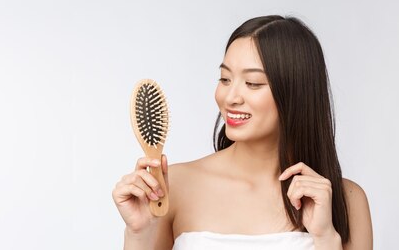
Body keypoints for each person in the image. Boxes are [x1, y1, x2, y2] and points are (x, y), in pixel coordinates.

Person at [112, 15, 373, 250]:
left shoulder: (345, 200)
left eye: (252, 83)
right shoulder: (174, 187)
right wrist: (138, 234)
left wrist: (326, 238)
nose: (230, 97)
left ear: (295, 94)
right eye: (225, 79)